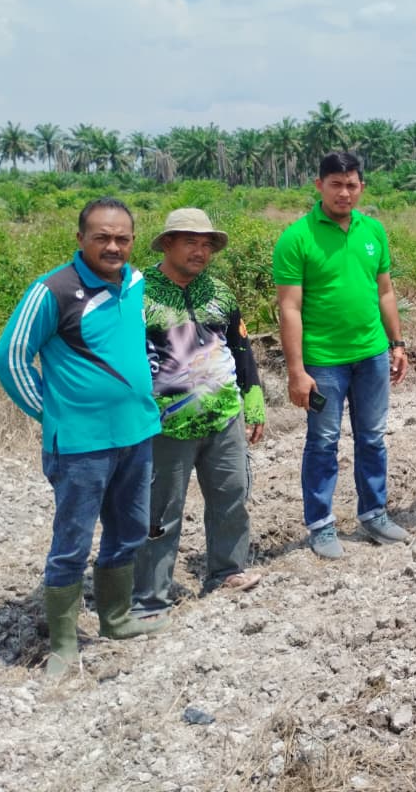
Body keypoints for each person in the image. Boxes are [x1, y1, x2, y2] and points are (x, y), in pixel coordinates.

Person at [0, 197, 167, 678]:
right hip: (79, 445)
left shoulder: (136, 281)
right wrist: (51, 412)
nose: (113, 247)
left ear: (133, 240)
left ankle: (116, 619)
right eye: (102, 237)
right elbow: (9, 358)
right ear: (80, 239)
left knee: (130, 530)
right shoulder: (53, 290)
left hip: (136, 434)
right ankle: (64, 646)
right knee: (72, 542)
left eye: (122, 238)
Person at [273, 152, 411, 559]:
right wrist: (296, 371)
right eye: (335, 184)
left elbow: (385, 292)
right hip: (323, 361)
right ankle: (320, 525)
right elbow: (289, 308)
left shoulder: (373, 231)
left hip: (372, 355)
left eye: (351, 185)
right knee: (323, 442)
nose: (344, 193)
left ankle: (374, 513)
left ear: (361, 187)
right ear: (319, 186)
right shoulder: (297, 237)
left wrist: (397, 343)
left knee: (372, 438)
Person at [131, 209, 265, 619]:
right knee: (159, 512)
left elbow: (240, 347)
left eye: (207, 244)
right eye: (190, 242)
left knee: (231, 497)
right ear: (167, 244)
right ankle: (150, 597)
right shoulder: (138, 294)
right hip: (164, 424)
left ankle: (226, 572)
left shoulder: (219, 293)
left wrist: (253, 396)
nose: (200, 251)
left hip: (223, 415)